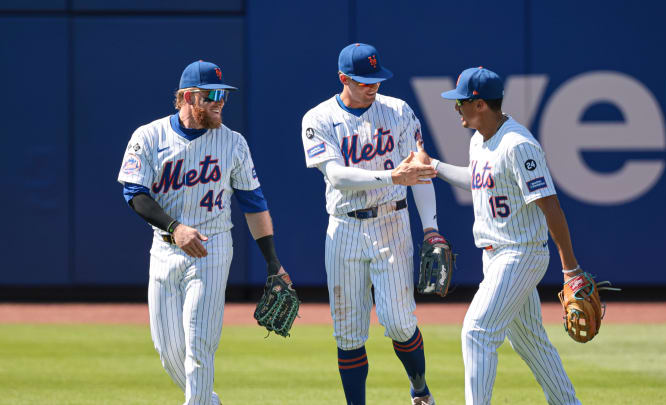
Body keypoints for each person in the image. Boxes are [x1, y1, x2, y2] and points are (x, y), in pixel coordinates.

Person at [118, 60, 293, 405]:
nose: (219, 101)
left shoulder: (234, 143)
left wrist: (273, 262)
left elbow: (254, 204)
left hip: (212, 249)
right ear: (187, 97)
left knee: (199, 343)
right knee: (167, 349)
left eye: (223, 95)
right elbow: (134, 193)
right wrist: (175, 227)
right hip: (166, 248)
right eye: (211, 94)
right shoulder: (150, 136)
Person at [412, 67, 582, 405]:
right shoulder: (479, 139)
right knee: (530, 342)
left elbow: (551, 207)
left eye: (460, 101)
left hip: (520, 253)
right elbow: (478, 180)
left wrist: (571, 270)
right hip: (496, 256)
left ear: (480, 105)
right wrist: (435, 166)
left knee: (476, 332)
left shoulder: (519, 145)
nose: (455, 108)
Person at [300, 43, 444, 405]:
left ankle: (420, 389)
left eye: (376, 78)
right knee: (348, 333)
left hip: (391, 223)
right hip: (344, 227)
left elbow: (421, 173)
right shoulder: (318, 118)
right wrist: (394, 175)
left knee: (398, 322)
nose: (372, 85)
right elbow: (336, 176)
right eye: (363, 80)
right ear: (343, 78)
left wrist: (430, 227)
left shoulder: (398, 111)